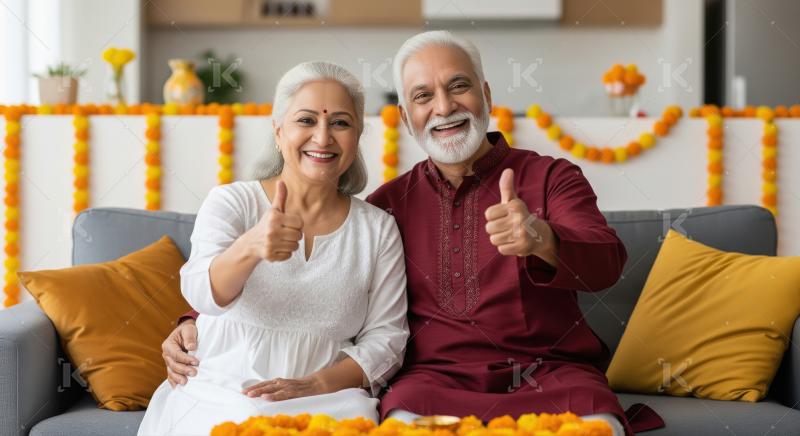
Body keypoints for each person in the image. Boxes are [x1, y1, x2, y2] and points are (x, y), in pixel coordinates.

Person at [164, 32, 665, 436]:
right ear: (406, 119)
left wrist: (542, 239)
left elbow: (607, 263)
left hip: (548, 376)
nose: (443, 107)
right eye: (423, 96)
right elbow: (306, 278)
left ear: (486, 96)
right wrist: (193, 319)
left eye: (459, 86)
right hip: (433, 383)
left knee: (598, 427)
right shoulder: (388, 207)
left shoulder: (551, 177)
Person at [138, 61, 409, 435]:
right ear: (278, 131)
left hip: (330, 399)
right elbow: (201, 292)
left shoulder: (378, 229)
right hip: (223, 388)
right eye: (306, 120)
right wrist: (250, 246)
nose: (323, 136)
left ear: (358, 135)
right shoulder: (232, 203)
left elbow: (388, 337)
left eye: (341, 123)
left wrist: (318, 383)